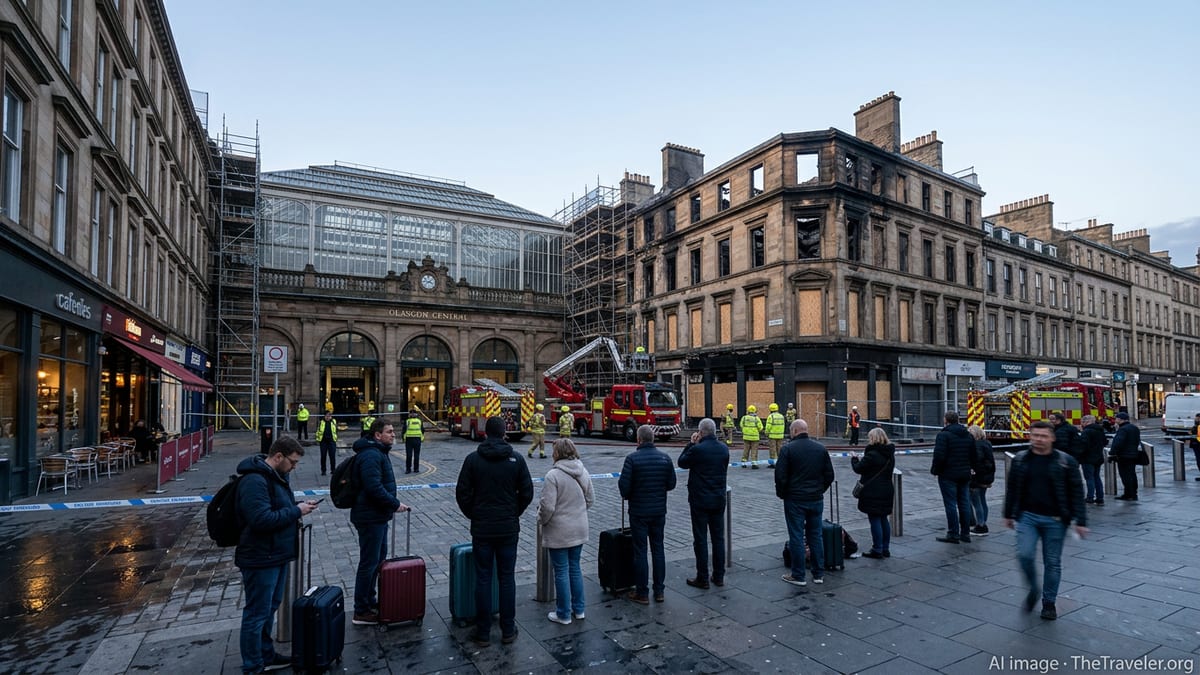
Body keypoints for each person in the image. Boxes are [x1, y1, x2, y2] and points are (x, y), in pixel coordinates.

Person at [234, 436, 319, 674]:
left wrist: (298, 506)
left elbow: (277, 509)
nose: (294, 467)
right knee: (256, 613)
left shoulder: (277, 477)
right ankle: (253, 665)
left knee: (269, 608)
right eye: (292, 462)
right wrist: (296, 510)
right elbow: (261, 519)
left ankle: (266, 654)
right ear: (278, 456)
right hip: (260, 556)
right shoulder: (254, 481)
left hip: (276, 553)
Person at [456, 416, 534, 646]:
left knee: (483, 578)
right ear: (504, 433)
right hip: (508, 528)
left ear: (484, 432)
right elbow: (527, 493)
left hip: (482, 528)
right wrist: (513, 512)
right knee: (507, 578)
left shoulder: (472, 460)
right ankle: (508, 630)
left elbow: (462, 494)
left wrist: (475, 514)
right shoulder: (516, 459)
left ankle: (482, 633)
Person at [1003, 421, 1088, 621]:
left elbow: (1076, 492)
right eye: (1035, 435)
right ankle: (1033, 589)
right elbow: (1013, 488)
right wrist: (1008, 514)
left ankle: (1048, 602)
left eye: (1043, 436)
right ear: (1030, 436)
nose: (1038, 440)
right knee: (1024, 555)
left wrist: (1081, 520)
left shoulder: (1066, 461)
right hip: (1027, 517)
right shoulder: (1021, 459)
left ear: (1052, 438)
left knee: (1052, 562)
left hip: (1056, 520)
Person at [349, 419, 409, 626]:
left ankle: (370, 600)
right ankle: (361, 610)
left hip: (376, 516)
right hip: (370, 517)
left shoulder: (377, 452)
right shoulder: (371, 455)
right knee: (369, 563)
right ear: (377, 435)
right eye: (389, 432)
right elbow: (373, 487)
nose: (394, 435)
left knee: (376, 560)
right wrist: (394, 504)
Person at [538, 438, 594, 625]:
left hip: (560, 530)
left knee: (561, 571)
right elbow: (590, 499)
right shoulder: (583, 470)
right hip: (579, 527)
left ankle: (563, 613)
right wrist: (577, 511)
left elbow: (547, 507)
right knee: (575, 568)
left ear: (557, 453)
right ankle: (579, 610)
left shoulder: (552, 476)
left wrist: (541, 520)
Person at [618, 425, 677, 604]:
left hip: (639, 513)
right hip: (659, 512)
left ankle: (642, 592)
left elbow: (624, 488)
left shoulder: (632, 459)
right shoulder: (665, 458)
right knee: (658, 549)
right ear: (653, 439)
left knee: (640, 551)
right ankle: (659, 591)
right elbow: (671, 483)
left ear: (639, 439)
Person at [677, 418, 730, 589]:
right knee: (718, 538)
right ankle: (719, 575)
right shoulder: (724, 449)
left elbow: (682, 462)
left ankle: (703, 577)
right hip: (718, 499)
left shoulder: (698, 450)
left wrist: (691, 444)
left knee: (700, 539)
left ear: (700, 432)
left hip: (699, 500)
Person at [931, 411, 977, 544]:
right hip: (964, 474)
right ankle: (965, 533)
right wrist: (972, 469)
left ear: (946, 420)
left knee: (950, 504)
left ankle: (953, 533)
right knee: (964, 503)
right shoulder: (968, 435)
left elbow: (939, 456)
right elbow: (973, 455)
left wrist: (935, 470)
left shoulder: (943, 435)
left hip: (948, 474)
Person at [851, 427, 895, 559]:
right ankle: (885, 548)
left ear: (873, 438)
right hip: (887, 489)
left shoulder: (872, 455)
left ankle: (877, 549)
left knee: (875, 519)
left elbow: (858, 469)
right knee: (883, 519)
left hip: (873, 491)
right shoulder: (889, 454)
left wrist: (854, 459)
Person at [967, 425, 996, 536]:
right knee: (982, 500)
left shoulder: (976, 445)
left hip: (978, 478)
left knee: (976, 501)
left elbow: (977, 462)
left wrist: (973, 472)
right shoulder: (987, 443)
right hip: (986, 477)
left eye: (970, 433)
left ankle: (981, 525)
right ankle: (983, 521)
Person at [1108, 411, 1142, 500]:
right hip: (1133, 454)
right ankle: (1133, 493)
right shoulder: (1134, 428)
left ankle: (1129, 494)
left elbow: (1118, 442)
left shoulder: (1123, 429)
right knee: (1132, 474)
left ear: (1120, 419)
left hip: (1124, 456)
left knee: (1125, 475)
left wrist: (1112, 452)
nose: (1115, 420)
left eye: (1116, 419)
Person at [1079, 414, 1107, 504]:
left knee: (1089, 478)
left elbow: (1083, 445)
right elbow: (1105, 442)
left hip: (1087, 458)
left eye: (1082, 422)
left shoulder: (1086, 432)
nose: (1081, 424)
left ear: (1086, 422)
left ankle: (1090, 497)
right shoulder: (1100, 430)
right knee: (1097, 477)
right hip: (1098, 457)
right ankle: (1100, 497)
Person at [316, 410, 338, 476]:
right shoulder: (321, 422)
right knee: (323, 456)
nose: (328, 417)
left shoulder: (333, 422)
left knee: (332, 456)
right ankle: (323, 470)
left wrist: (335, 438)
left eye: (329, 416)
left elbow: (336, 430)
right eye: (327, 416)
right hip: (323, 441)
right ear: (324, 416)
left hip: (331, 441)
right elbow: (318, 431)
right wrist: (318, 439)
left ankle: (333, 470)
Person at [403, 410, 423, 474]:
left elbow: (404, 430)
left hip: (409, 439)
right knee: (416, 455)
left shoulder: (407, 421)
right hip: (417, 439)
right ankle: (416, 469)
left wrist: (403, 438)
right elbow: (422, 430)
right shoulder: (419, 421)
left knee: (409, 455)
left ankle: (408, 469)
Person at [1189, 413, 1200, 481]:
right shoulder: (1196, 425)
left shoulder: (1197, 426)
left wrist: (1191, 432)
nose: (1196, 419)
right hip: (1195, 444)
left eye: (1197, 418)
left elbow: (1194, 433)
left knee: (1199, 460)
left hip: (1197, 444)